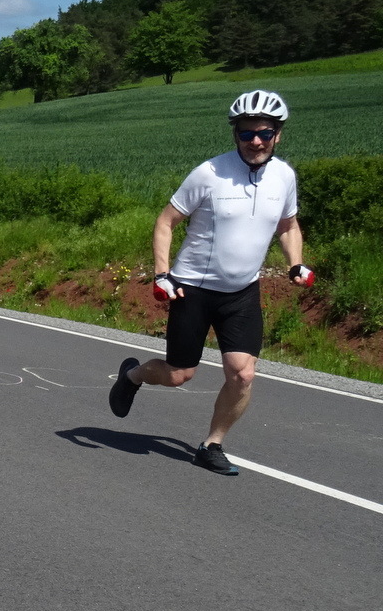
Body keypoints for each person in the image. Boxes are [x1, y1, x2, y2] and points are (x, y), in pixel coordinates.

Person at [107, 89, 313, 475]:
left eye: (264, 133)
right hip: (194, 289)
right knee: (178, 375)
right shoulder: (209, 173)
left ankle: (212, 444)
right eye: (246, 133)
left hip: (242, 291)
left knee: (243, 373)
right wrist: (162, 273)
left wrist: (295, 264)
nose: (255, 141)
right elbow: (166, 222)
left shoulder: (284, 176)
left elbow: (288, 225)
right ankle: (132, 375)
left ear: (277, 135)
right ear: (235, 134)